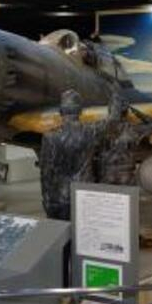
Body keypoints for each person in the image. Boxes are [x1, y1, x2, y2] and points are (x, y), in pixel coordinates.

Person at [38, 89, 117, 220]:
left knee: (62, 231)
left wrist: (46, 199)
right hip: (85, 194)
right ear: (80, 111)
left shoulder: (50, 136)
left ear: (61, 111)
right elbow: (112, 121)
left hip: (60, 197)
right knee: (85, 231)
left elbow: (46, 173)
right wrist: (115, 100)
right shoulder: (90, 131)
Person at [99, 92, 152, 186]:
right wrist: (135, 111)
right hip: (126, 173)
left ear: (110, 110)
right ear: (126, 112)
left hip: (108, 173)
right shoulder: (133, 129)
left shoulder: (102, 128)